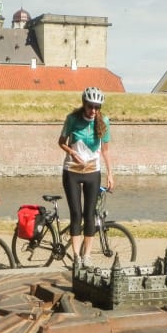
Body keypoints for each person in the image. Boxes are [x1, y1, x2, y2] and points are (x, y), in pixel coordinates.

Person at [57, 87, 115, 264]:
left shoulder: (103, 121)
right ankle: (76, 256)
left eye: (97, 107)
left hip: (92, 172)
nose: (93, 111)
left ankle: (87, 255)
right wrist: (72, 153)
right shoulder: (72, 119)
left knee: (89, 214)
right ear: (84, 104)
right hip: (72, 171)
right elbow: (61, 142)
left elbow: (105, 151)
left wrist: (110, 174)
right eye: (90, 106)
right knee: (76, 214)